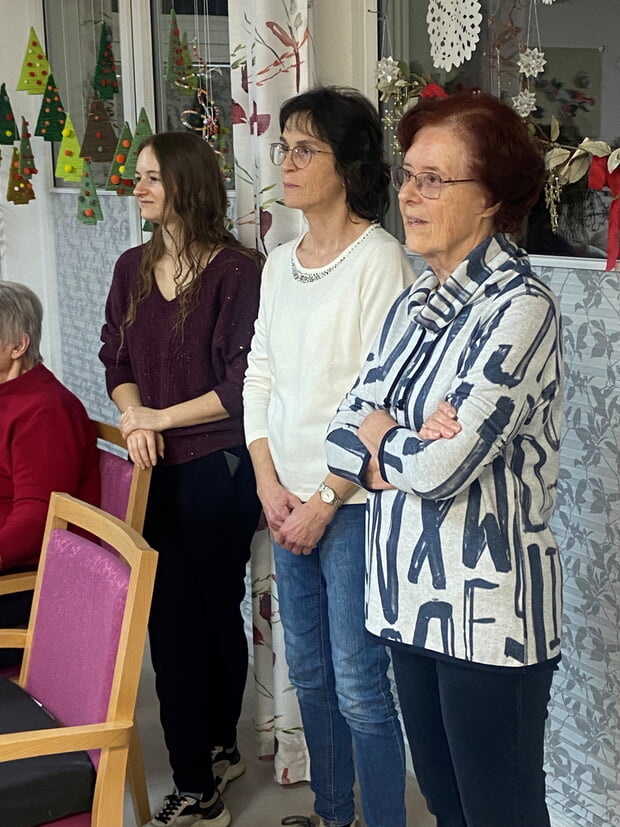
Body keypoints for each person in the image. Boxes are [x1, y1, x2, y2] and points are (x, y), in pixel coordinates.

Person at [325, 90, 563, 827]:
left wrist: (383, 438)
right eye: (408, 175)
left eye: (433, 179)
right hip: (407, 604)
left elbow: (442, 469)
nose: (408, 194)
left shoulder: (522, 307)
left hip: (491, 618)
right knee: (446, 808)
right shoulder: (412, 304)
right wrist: (400, 437)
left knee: (500, 814)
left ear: (490, 198)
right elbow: (340, 432)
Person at [243, 86, 412, 827]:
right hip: (285, 501)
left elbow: (385, 400)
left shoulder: (381, 261)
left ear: (348, 165)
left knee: (360, 686)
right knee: (308, 674)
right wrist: (268, 484)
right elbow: (259, 375)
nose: (287, 161)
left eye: (304, 149)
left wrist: (321, 501)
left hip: (352, 508)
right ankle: (332, 813)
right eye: (283, 147)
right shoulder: (279, 262)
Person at [99, 131, 262, 827]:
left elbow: (242, 385)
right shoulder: (131, 266)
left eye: (152, 177)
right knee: (172, 624)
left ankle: (206, 772)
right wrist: (134, 417)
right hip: (152, 470)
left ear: (187, 184)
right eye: (137, 176)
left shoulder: (238, 271)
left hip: (218, 467)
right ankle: (205, 769)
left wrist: (158, 419)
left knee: (209, 613)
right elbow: (115, 359)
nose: (136, 188)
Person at [0, 281, 100, 666]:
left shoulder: (44, 411)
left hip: (32, 585)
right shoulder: (11, 395)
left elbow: (35, 520)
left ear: (18, 346)